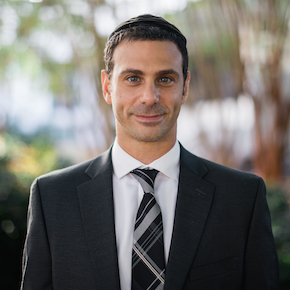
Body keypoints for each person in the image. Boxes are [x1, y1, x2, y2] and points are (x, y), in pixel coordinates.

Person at [21, 14, 279, 290]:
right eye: (133, 78)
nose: (149, 97)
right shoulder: (52, 198)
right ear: (108, 86)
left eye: (165, 79)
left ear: (185, 87)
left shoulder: (241, 198)